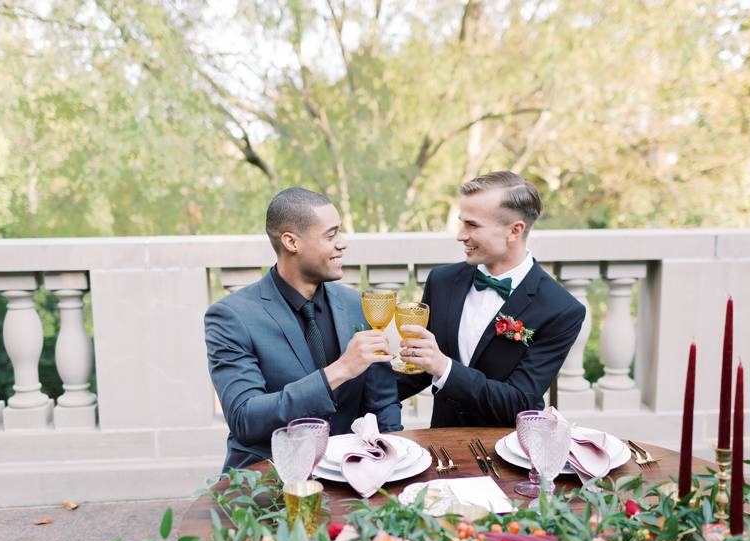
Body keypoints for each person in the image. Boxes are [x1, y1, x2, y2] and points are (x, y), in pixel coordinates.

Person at [205, 187, 402, 471]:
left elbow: (383, 403)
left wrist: (392, 463)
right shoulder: (231, 316)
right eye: (331, 235)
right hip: (268, 477)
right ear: (291, 242)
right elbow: (244, 418)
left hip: (351, 474)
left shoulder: (358, 304)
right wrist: (340, 370)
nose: (342, 244)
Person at [395, 171, 585, 427]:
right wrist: (348, 394)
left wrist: (444, 367)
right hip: (442, 446)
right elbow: (417, 372)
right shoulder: (441, 281)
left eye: (472, 225)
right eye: (462, 223)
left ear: (514, 230)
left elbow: (519, 403)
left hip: (509, 453)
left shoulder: (561, 309)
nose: (460, 235)